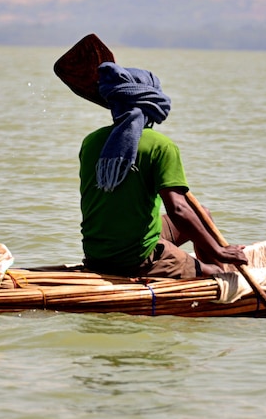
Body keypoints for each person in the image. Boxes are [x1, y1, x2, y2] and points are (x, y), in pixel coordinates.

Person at [78, 62, 248, 278]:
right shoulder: (161, 146)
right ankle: (218, 279)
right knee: (215, 272)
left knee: (202, 214)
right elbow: (178, 210)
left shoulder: (90, 142)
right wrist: (219, 252)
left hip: (95, 254)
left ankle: (206, 268)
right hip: (138, 258)